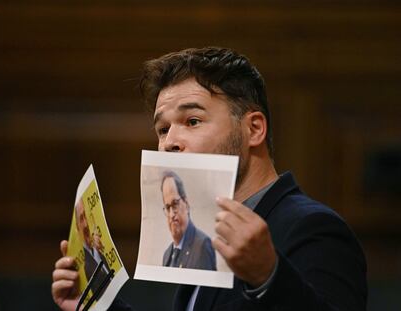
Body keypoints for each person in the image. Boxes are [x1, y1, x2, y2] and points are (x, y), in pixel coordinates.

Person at [52, 47, 367, 311]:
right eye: (163, 129)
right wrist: (97, 304)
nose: (169, 142)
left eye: (192, 121)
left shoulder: (314, 228)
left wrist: (270, 277)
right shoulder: (199, 235)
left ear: (254, 129)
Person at [161, 170, 216, 270]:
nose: (172, 214)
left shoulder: (202, 246)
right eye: (168, 207)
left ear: (186, 204)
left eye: (175, 204)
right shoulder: (167, 255)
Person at [74, 198, 111, 299]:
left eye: (86, 216)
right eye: (81, 218)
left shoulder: (100, 253)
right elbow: (102, 289)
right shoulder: (82, 263)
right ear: (77, 227)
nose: (86, 224)